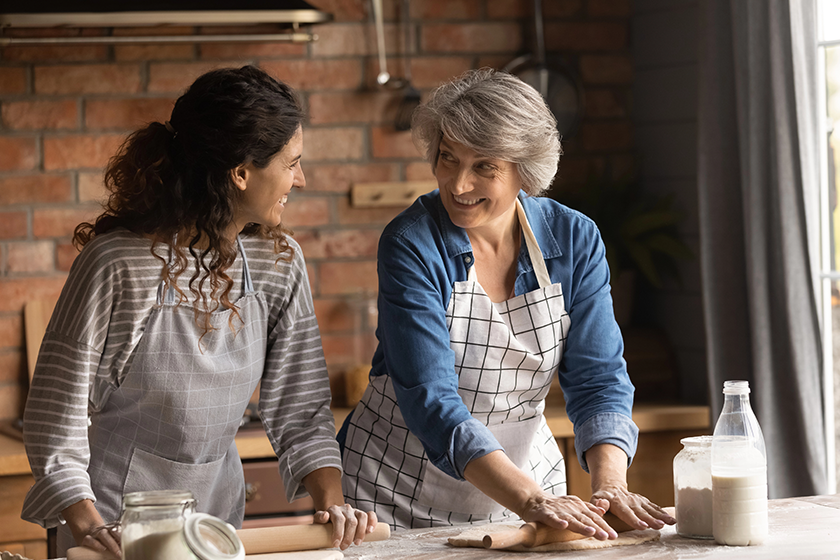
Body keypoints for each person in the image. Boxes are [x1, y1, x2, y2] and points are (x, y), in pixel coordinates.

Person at [21, 65, 376, 557]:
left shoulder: (279, 263)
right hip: (112, 530)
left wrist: (333, 502)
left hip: (215, 527)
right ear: (241, 172)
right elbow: (54, 421)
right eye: (291, 162)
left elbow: (303, 409)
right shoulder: (117, 264)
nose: (302, 177)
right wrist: (87, 528)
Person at [338, 68, 676, 537]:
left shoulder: (574, 239)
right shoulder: (412, 243)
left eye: (484, 167)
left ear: (525, 168)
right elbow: (431, 399)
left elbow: (599, 378)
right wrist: (531, 499)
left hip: (530, 492)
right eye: (447, 159)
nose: (457, 185)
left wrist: (610, 484)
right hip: (395, 492)